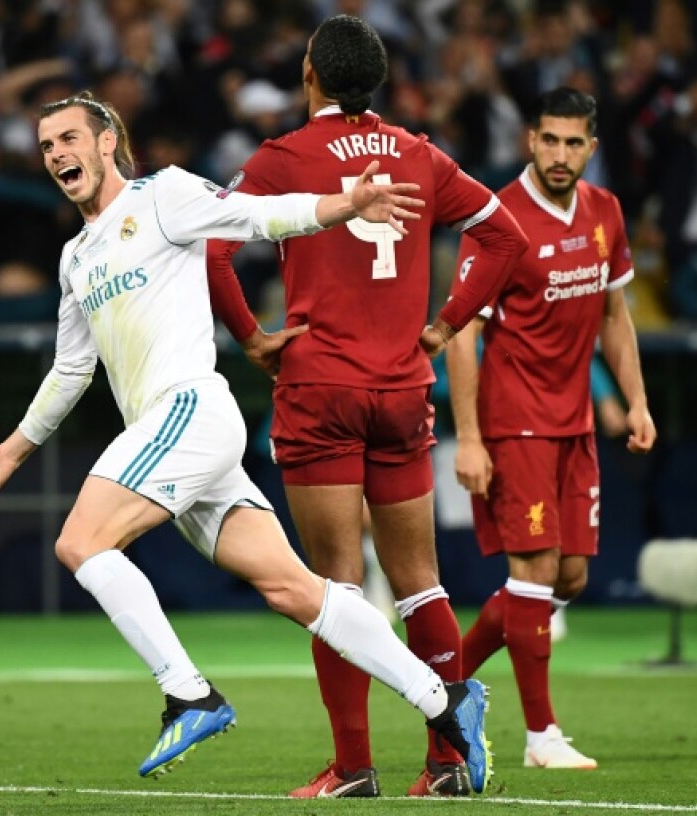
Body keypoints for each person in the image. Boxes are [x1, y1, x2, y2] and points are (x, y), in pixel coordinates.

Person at [0, 91, 491, 789]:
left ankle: (188, 693)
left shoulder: (164, 195)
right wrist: (11, 451)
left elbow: (257, 216)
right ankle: (445, 703)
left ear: (108, 141)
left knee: (81, 541)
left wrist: (340, 206)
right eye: (46, 145)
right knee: (297, 590)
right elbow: (72, 369)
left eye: (68, 138)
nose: (56, 154)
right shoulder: (76, 256)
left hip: (189, 412)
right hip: (176, 437)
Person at [204, 14, 530, 800]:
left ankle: (352, 767)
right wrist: (448, 321)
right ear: (376, 81)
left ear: (309, 75)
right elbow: (504, 237)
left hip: (320, 387)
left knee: (334, 588)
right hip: (402, 388)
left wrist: (251, 336)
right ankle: (448, 761)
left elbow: (212, 249)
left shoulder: (285, 158)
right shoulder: (418, 152)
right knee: (421, 583)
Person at [447, 87, 657, 770]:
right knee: (533, 572)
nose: (560, 155)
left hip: (575, 428)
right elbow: (460, 334)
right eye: (549, 140)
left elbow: (615, 315)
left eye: (574, 143)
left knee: (568, 578)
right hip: (516, 423)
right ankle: (542, 737)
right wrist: (472, 439)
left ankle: (440, 685)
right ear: (529, 140)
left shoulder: (605, 212)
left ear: (591, 148)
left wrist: (637, 401)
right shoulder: (499, 218)